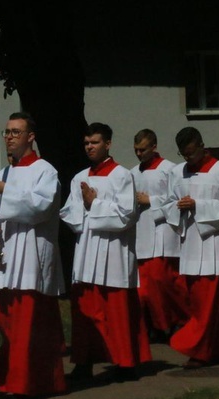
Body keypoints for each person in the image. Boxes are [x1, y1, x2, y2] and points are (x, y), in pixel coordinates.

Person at [0, 112, 67, 399]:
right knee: (4, 317)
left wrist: (6, 192)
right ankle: (24, 377)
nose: (9, 137)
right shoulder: (2, 174)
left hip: (31, 258)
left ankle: (26, 384)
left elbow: (42, 206)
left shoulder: (45, 171)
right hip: (6, 256)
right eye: (7, 132)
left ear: (30, 137)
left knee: (27, 324)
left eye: (16, 131)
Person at [60, 122, 151, 382]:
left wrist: (94, 204)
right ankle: (84, 362)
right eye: (87, 143)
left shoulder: (122, 175)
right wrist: (86, 208)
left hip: (114, 253)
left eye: (95, 142)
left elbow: (126, 216)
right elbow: (70, 212)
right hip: (87, 251)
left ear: (108, 144)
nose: (90, 147)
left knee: (117, 311)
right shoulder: (79, 177)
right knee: (86, 311)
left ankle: (125, 363)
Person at [161, 126, 219, 368]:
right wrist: (177, 207)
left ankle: (199, 351)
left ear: (202, 145)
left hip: (215, 244)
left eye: (191, 152)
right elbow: (168, 202)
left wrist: (198, 205)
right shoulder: (178, 172)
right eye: (184, 154)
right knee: (212, 301)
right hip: (190, 243)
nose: (188, 158)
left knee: (209, 300)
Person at [130, 129, 189, 343]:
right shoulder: (133, 172)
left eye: (143, 150)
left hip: (163, 232)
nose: (139, 154)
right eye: (136, 150)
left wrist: (151, 200)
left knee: (163, 282)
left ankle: (177, 321)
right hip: (141, 232)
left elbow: (178, 199)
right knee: (143, 289)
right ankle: (154, 325)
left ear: (154, 147)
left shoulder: (170, 170)